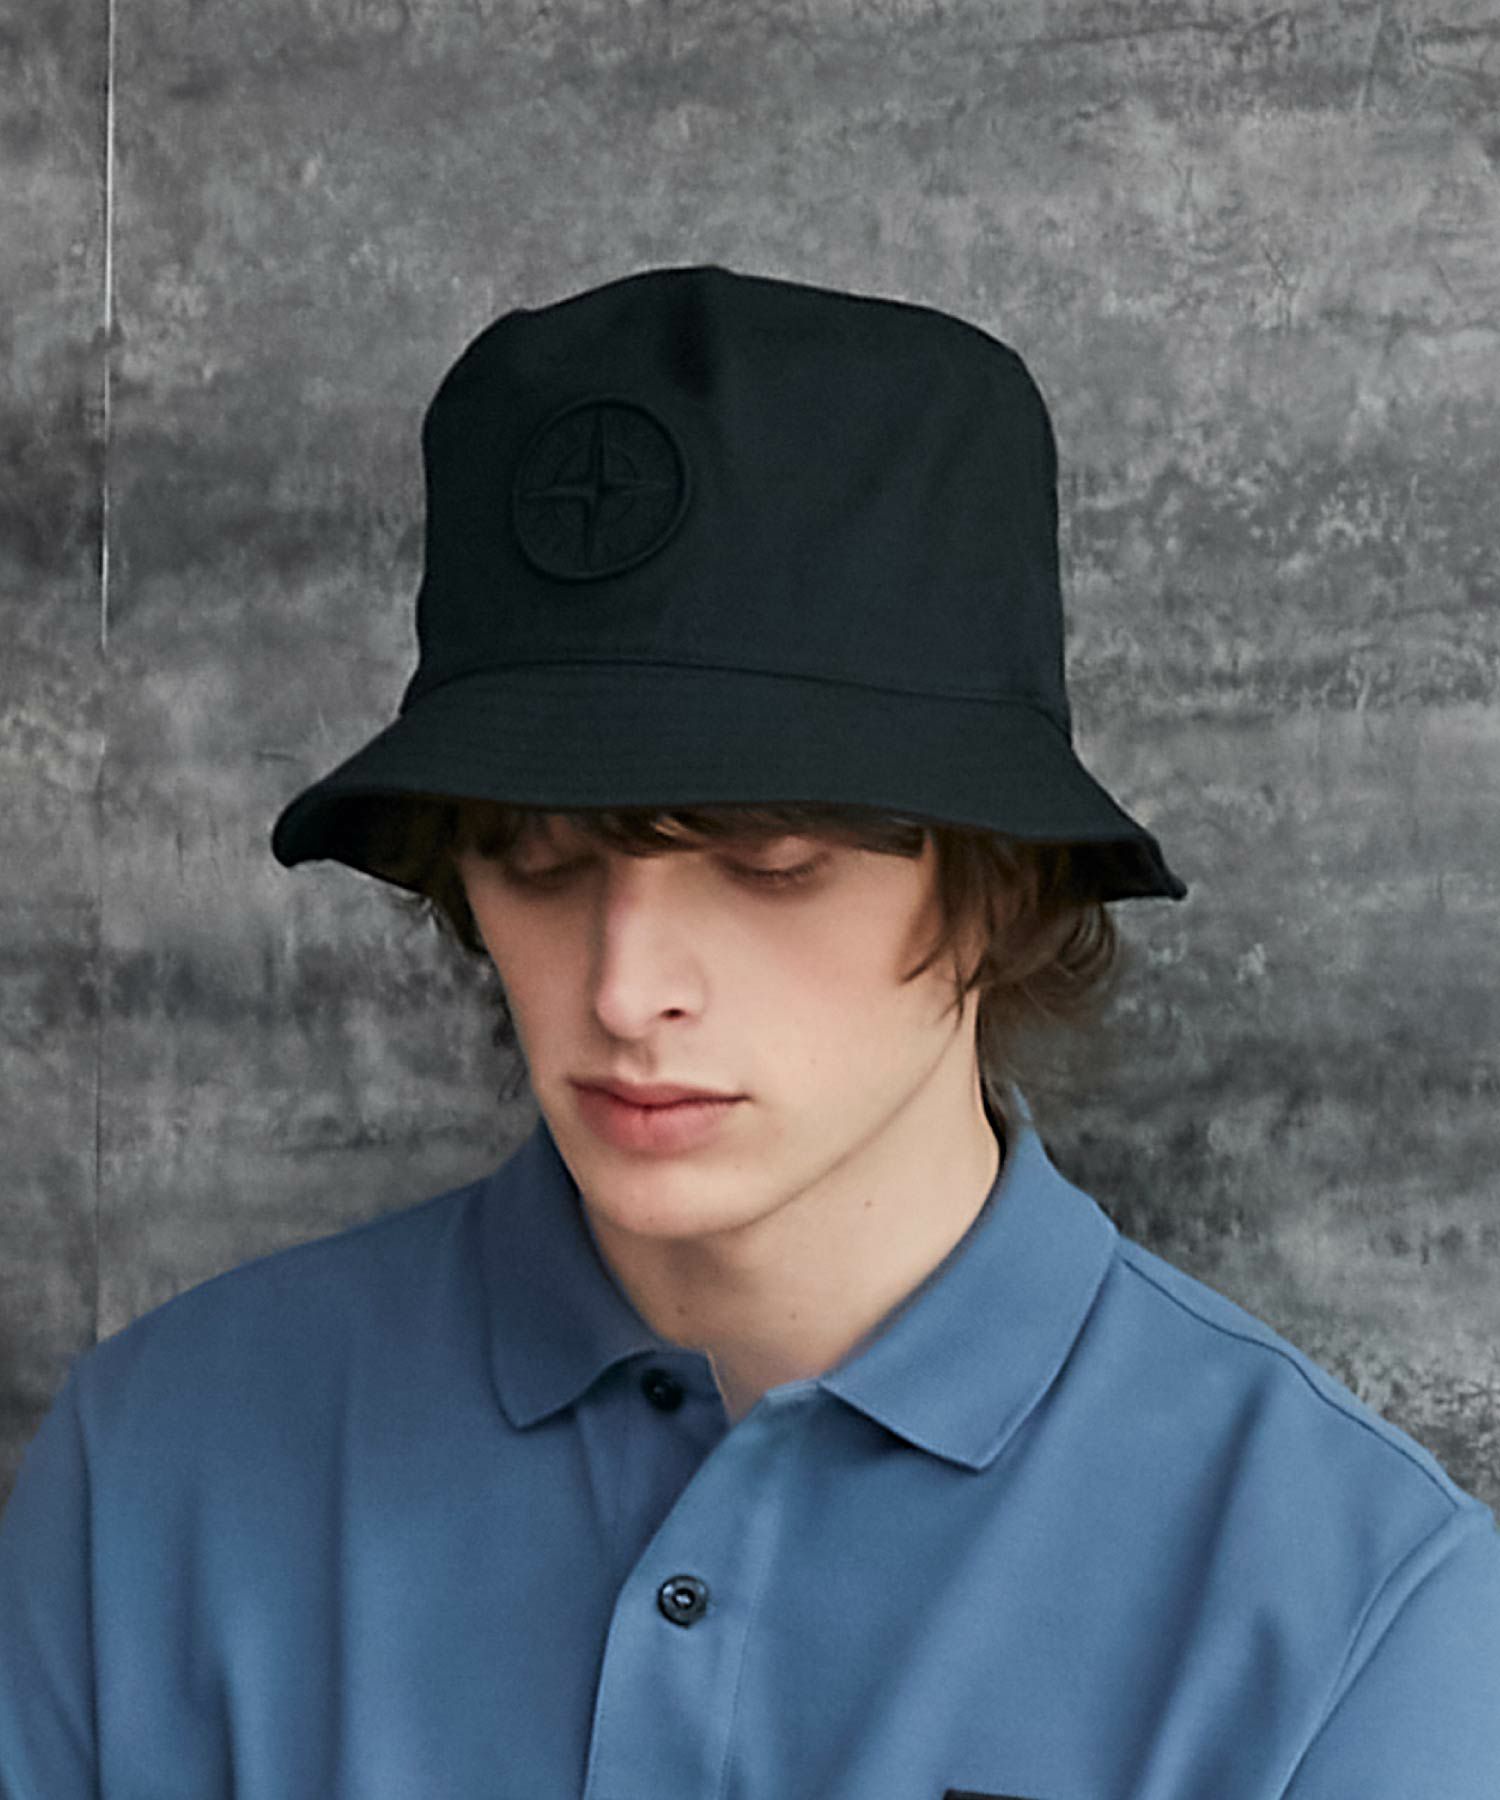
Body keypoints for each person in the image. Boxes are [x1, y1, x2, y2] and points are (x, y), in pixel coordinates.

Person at [1, 264, 1496, 1798]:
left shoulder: (1351, 1614)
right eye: (539, 855)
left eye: (770, 862)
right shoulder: (161, 1468)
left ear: (1003, 886)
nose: (624, 986)